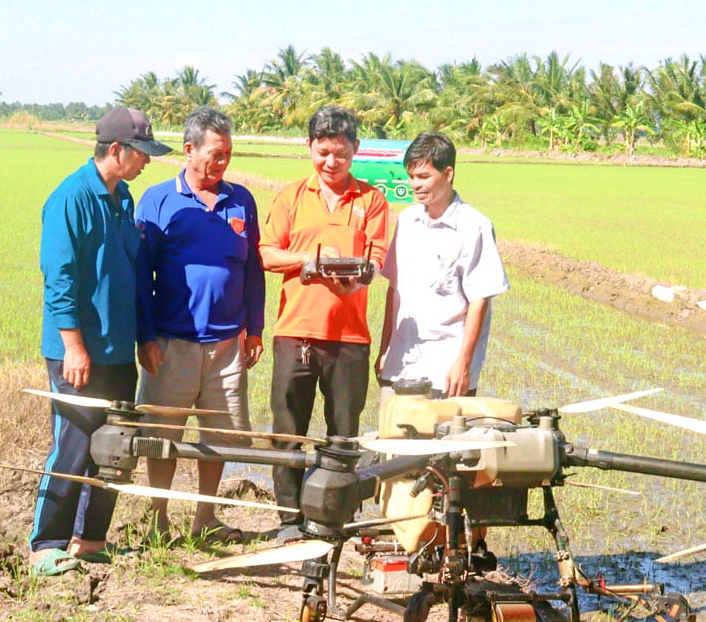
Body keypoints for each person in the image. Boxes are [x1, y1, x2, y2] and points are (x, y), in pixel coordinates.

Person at [29, 107, 171, 576]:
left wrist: (144, 337)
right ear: (117, 150)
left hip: (117, 350)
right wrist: (73, 345)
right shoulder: (71, 198)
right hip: (79, 354)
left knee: (115, 448)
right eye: (142, 153)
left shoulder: (123, 198)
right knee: (72, 445)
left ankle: (90, 540)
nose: (147, 162)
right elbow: (60, 278)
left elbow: (132, 274)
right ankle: (46, 544)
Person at [135, 106, 264, 543]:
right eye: (214, 154)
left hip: (228, 345)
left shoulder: (241, 200)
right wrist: (145, 335)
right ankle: (158, 518)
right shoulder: (158, 200)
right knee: (162, 434)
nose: (222, 162)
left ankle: (205, 518)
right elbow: (141, 274)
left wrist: (257, 328)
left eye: (227, 153)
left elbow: (254, 270)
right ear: (188, 151)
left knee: (221, 436)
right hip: (171, 343)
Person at [259, 105, 389, 542]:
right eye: (322, 152)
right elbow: (266, 253)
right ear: (309, 148)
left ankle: (333, 518)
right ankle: (289, 521)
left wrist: (359, 279)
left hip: (349, 337)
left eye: (340, 153)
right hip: (295, 333)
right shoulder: (291, 197)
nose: (331, 162)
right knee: (287, 433)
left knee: (343, 437)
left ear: (355, 150)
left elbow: (375, 259)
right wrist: (309, 261)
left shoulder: (371, 200)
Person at [376, 131, 509, 399]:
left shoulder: (474, 226)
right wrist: (384, 350)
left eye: (424, 177)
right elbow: (394, 290)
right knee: (393, 437)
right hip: (401, 361)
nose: (416, 185)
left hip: (446, 368)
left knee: (447, 438)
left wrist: (464, 363)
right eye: (411, 176)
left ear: (448, 174)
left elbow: (479, 299)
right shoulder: (407, 221)